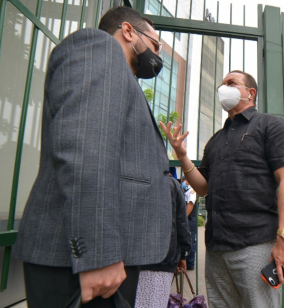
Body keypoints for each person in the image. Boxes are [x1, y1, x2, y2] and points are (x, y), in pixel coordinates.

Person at [13, 6, 172, 307]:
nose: (157, 54)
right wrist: (99, 253)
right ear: (128, 31)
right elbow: (86, 148)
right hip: (87, 263)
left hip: (102, 260)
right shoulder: (100, 48)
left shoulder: (120, 75)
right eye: (154, 45)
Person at [160, 70, 284, 308]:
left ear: (250, 93)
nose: (223, 89)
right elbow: (202, 188)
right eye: (222, 85)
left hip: (255, 244)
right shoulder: (215, 141)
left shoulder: (270, 125)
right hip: (216, 249)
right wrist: (182, 156)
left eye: (231, 83)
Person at [135, 177, 191, 308]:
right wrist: (183, 255)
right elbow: (182, 224)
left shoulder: (128, 176)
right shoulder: (171, 183)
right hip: (163, 259)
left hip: (130, 261)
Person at [183, 178, 197, 270]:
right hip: (188, 219)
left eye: (184, 181)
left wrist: (183, 219)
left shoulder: (192, 190)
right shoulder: (186, 190)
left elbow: (190, 205)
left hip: (190, 219)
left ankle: (190, 264)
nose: (183, 183)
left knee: (190, 241)